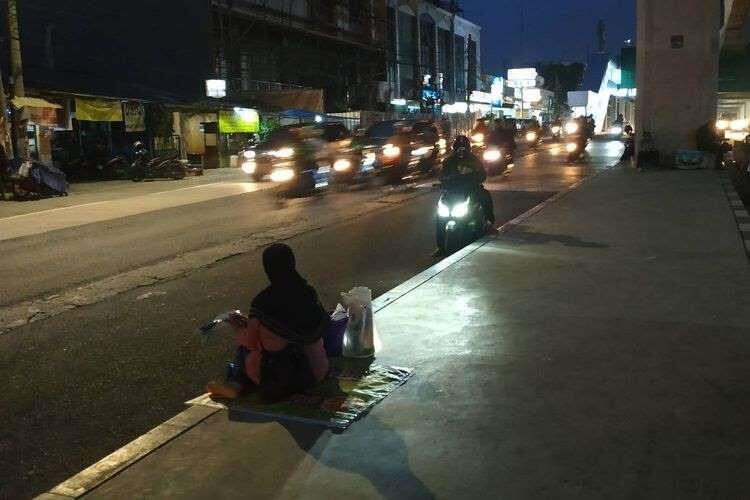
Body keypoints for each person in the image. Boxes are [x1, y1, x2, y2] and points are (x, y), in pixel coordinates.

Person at [207, 243, 330, 401]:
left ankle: (235, 385)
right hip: (318, 372)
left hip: (282, 380)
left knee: (245, 351)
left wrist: (237, 327)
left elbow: (250, 342)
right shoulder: (308, 292)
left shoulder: (263, 303)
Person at [440, 135, 495, 227]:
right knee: (441, 207)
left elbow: (482, 174)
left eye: (463, 147)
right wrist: (446, 179)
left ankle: (489, 221)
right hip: (453, 191)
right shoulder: (448, 161)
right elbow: (442, 175)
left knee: (485, 196)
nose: (461, 150)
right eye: (459, 147)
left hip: (471, 189)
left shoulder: (474, 160)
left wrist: (474, 177)